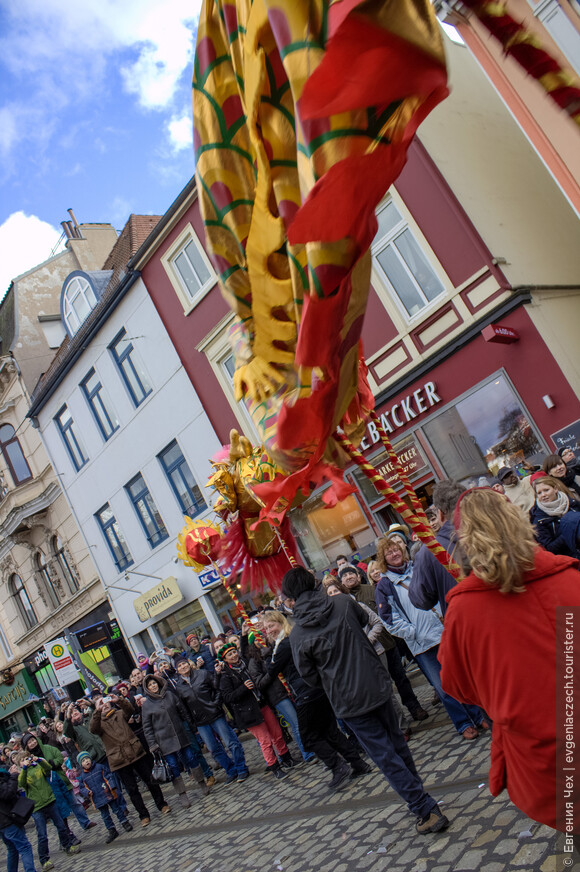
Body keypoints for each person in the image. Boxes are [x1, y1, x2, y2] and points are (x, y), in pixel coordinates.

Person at [439, 487, 580, 831]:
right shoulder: (570, 579)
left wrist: (499, 693)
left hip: (546, 756)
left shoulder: (464, 610)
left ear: (464, 539)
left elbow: (458, 685)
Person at [282, 566, 449, 834]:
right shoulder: (341, 603)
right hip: (374, 683)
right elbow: (362, 620)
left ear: (290, 598)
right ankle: (422, 802)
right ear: (314, 585)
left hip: (348, 700)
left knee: (386, 755)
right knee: (396, 746)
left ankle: (424, 807)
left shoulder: (299, 633)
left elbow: (310, 677)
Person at [375, 536, 487, 740]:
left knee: (461, 677)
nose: (395, 553)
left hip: (443, 632)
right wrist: (413, 632)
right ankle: (462, 723)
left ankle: (477, 715)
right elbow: (389, 619)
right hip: (422, 644)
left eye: (397, 549)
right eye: (389, 552)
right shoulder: (384, 585)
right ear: (384, 558)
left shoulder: (417, 566)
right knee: (443, 686)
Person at [261, 608, 370, 790]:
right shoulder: (290, 640)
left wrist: (262, 674)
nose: (269, 630)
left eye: (271, 625)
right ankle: (358, 763)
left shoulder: (285, 645)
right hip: (316, 690)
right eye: (266, 628)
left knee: (308, 737)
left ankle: (337, 766)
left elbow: (271, 672)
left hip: (306, 693)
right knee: (330, 732)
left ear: (281, 623)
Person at [345, 562, 428, 723]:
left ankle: (414, 707)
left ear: (358, 575)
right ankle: (397, 720)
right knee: (383, 686)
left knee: (401, 678)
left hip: (387, 643)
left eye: (351, 574)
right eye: (345, 575)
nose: (349, 577)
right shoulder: (345, 600)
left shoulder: (372, 590)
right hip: (368, 652)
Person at [90, 693, 170, 827]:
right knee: (132, 789)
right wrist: (97, 711)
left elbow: (130, 710)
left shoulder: (119, 714)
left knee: (150, 780)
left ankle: (162, 804)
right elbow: (93, 728)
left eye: (105, 702)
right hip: (119, 759)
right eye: (100, 704)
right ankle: (143, 814)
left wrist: (119, 700)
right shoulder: (99, 723)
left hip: (135, 752)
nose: (104, 706)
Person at [216, 642, 292, 779]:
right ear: (225, 659)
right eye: (229, 655)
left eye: (234, 652)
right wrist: (243, 688)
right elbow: (228, 697)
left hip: (262, 704)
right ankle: (275, 767)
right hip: (248, 713)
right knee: (265, 741)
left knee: (277, 733)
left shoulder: (246, 664)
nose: (233, 655)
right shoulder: (226, 676)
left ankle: (286, 757)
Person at [173, 656, 249, 784]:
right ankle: (230, 770)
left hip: (215, 714)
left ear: (188, 664)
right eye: (179, 666)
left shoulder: (202, 674)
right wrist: (193, 724)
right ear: (176, 670)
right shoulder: (179, 687)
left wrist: (216, 704)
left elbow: (217, 688)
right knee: (213, 749)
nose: (183, 667)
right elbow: (183, 708)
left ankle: (241, 767)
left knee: (230, 742)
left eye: (184, 664)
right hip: (200, 722)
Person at [141, 675, 210, 808]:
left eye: (154, 683)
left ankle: (201, 782)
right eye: (150, 685)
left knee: (191, 758)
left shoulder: (170, 695)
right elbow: (147, 728)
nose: (153, 686)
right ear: (147, 688)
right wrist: (152, 745)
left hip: (180, 734)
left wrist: (191, 726)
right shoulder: (147, 706)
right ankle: (182, 794)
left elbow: (182, 711)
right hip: (164, 741)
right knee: (173, 766)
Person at [408, 480, 467, 617]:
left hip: (467, 626)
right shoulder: (492, 530)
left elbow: (420, 599)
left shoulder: (430, 552)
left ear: (440, 514)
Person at [17, 750, 81, 869]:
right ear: (19, 764)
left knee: (61, 826)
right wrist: (24, 768)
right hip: (37, 807)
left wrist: (39, 760)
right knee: (42, 834)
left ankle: (67, 846)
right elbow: (21, 783)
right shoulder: (22, 774)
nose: (25, 761)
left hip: (50, 801)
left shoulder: (38, 768)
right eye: (22, 760)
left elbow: (48, 768)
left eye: (26, 758)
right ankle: (44, 859)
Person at [76, 751, 132, 844]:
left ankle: (124, 822)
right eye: (83, 761)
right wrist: (87, 792)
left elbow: (108, 776)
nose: (86, 762)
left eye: (87, 759)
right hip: (97, 798)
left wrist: (111, 786)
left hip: (107, 793)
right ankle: (112, 830)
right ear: (81, 764)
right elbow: (82, 788)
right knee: (105, 816)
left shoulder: (99, 767)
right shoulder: (82, 776)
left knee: (116, 809)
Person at [0, 754, 38, 872]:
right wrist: (13, 776)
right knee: (24, 847)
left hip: (3, 822)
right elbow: (7, 793)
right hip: (7, 820)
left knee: (12, 849)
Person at [529, 473, 580, 559]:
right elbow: (549, 548)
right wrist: (569, 531)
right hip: (570, 558)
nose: (543, 495)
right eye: (539, 493)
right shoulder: (539, 520)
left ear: (555, 489)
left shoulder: (572, 503)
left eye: (546, 490)